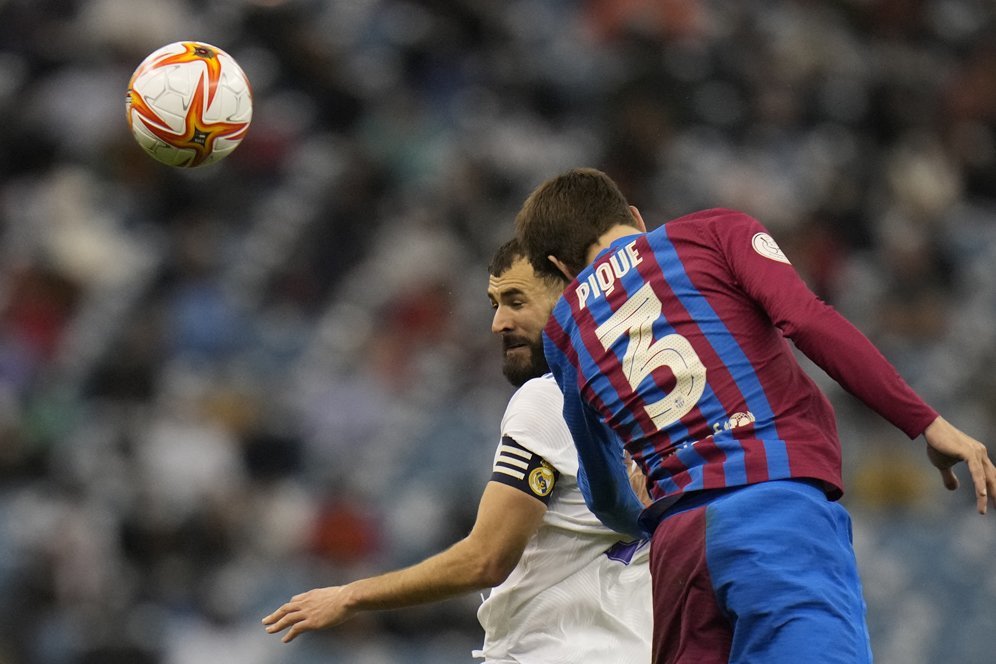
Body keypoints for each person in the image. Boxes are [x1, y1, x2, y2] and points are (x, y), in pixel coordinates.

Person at [513, 167, 996, 664]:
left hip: (678, 553)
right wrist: (925, 423)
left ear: (561, 268)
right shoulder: (712, 233)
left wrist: (645, 520)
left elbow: (605, 490)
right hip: (773, 513)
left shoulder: (563, 334)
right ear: (634, 217)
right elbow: (808, 320)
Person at [262, 238, 653, 663]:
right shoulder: (658, 403)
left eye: (516, 301)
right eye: (494, 305)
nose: (499, 323)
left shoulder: (548, 399)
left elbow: (486, 559)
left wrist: (350, 595)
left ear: (567, 296)